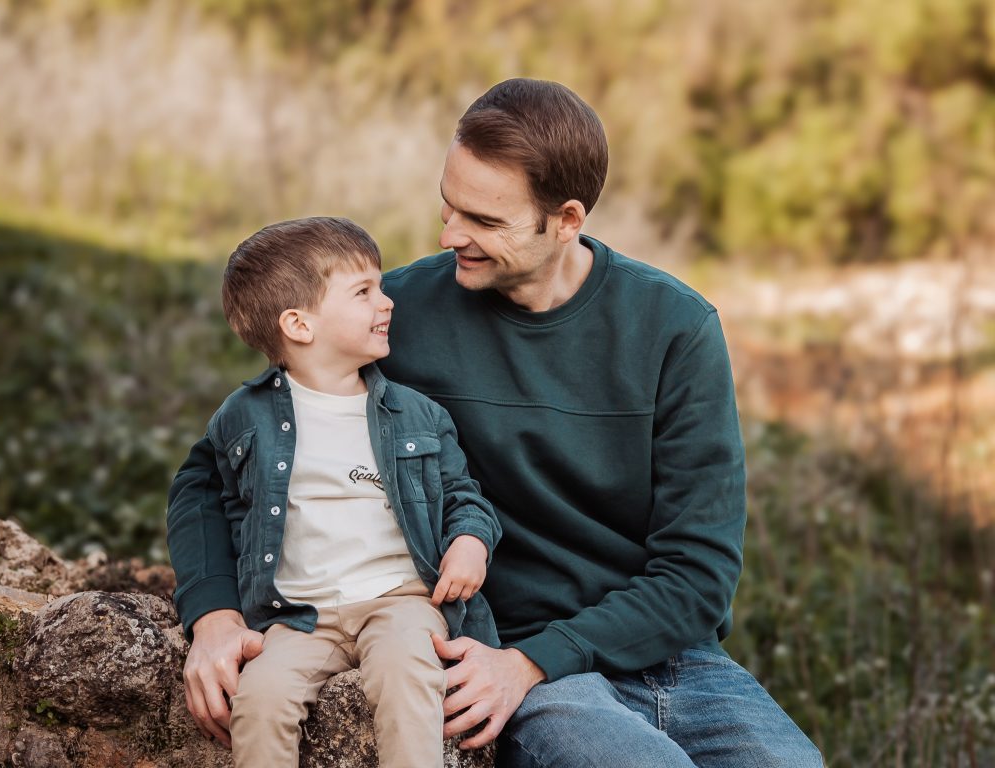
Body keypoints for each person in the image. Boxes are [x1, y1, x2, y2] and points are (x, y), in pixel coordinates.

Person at [175, 80, 824, 767]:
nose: (450, 235)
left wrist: (540, 660)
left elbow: (698, 572)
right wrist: (214, 616)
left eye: (484, 220)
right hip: (511, 655)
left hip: (672, 660)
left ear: (566, 220)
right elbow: (215, 473)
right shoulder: (396, 317)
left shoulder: (675, 328)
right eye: (448, 205)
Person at [166, 216, 502, 768]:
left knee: (407, 673)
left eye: (381, 287)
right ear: (299, 324)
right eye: (363, 292)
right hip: (298, 614)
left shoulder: (418, 414)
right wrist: (216, 611)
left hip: (402, 602)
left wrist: (470, 541)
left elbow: (463, 494)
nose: (387, 302)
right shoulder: (242, 418)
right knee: (260, 699)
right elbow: (210, 496)